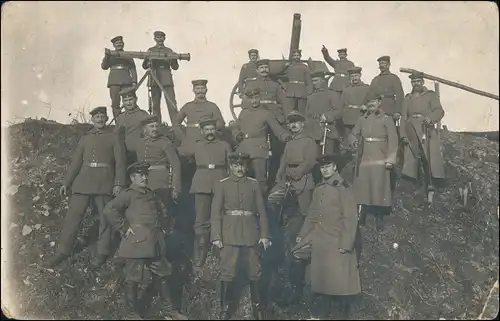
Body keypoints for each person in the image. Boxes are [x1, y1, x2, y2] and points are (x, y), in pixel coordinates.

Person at [43, 106, 126, 268]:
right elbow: (76, 163)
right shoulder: (85, 138)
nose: (100, 120)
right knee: (73, 218)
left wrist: (119, 183)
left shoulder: (114, 137)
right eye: (97, 117)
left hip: (105, 182)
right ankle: (63, 251)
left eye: (102, 117)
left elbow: (121, 164)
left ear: (107, 119)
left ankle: (102, 252)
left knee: (105, 219)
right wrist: (66, 182)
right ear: (92, 120)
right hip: (83, 182)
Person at [103, 161, 187, 320]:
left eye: (145, 174)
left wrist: (163, 227)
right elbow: (109, 209)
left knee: (162, 276)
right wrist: (124, 227)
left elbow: (162, 212)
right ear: (132, 178)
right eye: (140, 175)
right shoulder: (128, 194)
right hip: (136, 243)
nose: (144, 177)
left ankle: (170, 311)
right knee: (133, 278)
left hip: (154, 242)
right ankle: (131, 314)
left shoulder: (151, 193)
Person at [292, 153, 361, 320]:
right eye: (322, 167)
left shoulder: (343, 188)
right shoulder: (319, 189)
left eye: (328, 166)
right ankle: (317, 308)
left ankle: (339, 313)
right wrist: (302, 234)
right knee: (319, 276)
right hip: (319, 237)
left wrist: (345, 243)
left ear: (335, 167)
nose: (325, 170)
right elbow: (312, 215)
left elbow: (350, 218)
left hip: (337, 238)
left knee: (338, 281)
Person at [211, 152, 272, 320]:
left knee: (255, 270)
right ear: (230, 166)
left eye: (242, 165)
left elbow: (262, 212)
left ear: (246, 167)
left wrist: (265, 234)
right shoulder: (222, 184)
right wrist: (216, 235)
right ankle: (225, 309)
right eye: (236, 165)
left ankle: (257, 309)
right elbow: (215, 213)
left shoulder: (253, 185)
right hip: (229, 232)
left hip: (251, 232)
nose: (239, 169)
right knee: (228, 270)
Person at [267, 110, 318, 305]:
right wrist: (280, 176)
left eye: (297, 122)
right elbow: (282, 162)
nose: (294, 125)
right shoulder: (289, 143)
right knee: (273, 200)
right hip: (287, 180)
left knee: (306, 213)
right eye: (291, 123)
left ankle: (305, 245)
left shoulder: (309, 141)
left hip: (303, 180)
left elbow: (310, 161)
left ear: (303, 124)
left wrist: (295, 174)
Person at [177, 118, 232, 273]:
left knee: (220, 217)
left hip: (221, 184)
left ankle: (219, 252)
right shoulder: (196, 145)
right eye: (206, 130)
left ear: (216, 130)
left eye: (212, 129)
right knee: (201, 220)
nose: (209, 133)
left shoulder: (224, 146)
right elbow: (179, 150)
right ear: (202, 131)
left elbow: (232, 165)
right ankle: (199, 254)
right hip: (201, 185)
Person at [348, 97, 398, 231]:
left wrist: (390, 160)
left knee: (378, 185)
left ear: (379, 102)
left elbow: (393, 141)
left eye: (374, 101)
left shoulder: (386, 119)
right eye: (368, 102)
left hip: (380, 156)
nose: (371, 104)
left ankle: (379, 216)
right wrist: (353, 141)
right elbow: (353, 133)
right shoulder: (362, 119)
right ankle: (362, 212)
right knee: (363, 184)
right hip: (365, 155)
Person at [232, 87, 292, 194]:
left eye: (256, 98)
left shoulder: (266, 113)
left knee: (260, 181)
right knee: (242, 180)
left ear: (260, 98)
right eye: (251, 98)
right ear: (248, 100)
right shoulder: (243, 113)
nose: (254, 101)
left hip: (258, 151)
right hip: (243, 149)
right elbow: (236, 127)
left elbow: (277, 129)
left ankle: (262, 207)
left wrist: (285, 136)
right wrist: (237, 134)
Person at [400, 71, 445, 197]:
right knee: (412, 157)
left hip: (426, 129)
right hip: (411, 131)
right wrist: (403, 134)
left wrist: (430, 118)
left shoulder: (430, 96)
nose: (416, 84)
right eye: (413, 82)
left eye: (418, 81)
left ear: (423, 82)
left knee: (429, 157)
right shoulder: (407, 98)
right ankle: (413, 184)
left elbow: (439, 111)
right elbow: (403, 117)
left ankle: (432, 184)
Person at [245, 58, 288, 188]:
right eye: (261, 68)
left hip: (275, 118)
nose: (264, 70)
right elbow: (245, 104)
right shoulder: (251, 86)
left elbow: (284, 102)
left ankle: (274, 179)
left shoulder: (275, 85)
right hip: (258, 119)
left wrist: (288, 116)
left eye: (266, 67)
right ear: (257, 70)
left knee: (277, 150)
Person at [132, 114, 182, 220]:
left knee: (162, 212)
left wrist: (175, 187)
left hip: (161, 183)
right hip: (143, 182)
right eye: (151, 126)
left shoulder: (165, 143)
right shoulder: (140, 143)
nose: (155, 129)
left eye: (156, 126)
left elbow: (176, 166)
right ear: (145, 129)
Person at [173, 79, 225, 151]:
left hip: (207, 141)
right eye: (197, 89)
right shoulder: (188, 106)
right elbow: (176, 123)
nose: (200, 91)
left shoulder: (212, 106)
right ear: (193, 90)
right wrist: (183, 138)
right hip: (190, 141)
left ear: (206, 90)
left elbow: (221, 123)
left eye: (202, 88)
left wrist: (212, 134)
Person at [142, 30, 180, 124]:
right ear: (154, 39)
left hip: (166, 78)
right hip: (155, 79)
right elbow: (144, 66)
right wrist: (147, 58)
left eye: (161, 37)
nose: (159, 39)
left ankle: (176, 126)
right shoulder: (151, 50)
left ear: (164, 38)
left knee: (172, 104)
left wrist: (174, 59)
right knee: (155, 105)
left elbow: (175, 67)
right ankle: (157, 126)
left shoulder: (169, 51)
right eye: (157, 37)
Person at [304, 70, 343, 155]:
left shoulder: (332, 94)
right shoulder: (310, 97)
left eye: (316, 80)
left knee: (327, 157)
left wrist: (327, 116)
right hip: (313, 132)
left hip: (327, 131)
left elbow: (339, 111)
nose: (314, 83)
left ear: (322, 80)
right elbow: (307, 114)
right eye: (313, 81)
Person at [101, 36, 138, 120]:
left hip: (126, 81)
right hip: (114, 82)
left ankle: (131, 120)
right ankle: (118, 122)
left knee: (129, 101)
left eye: (120, 43)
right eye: (117, 43)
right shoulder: (110, 55)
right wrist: (106, 56)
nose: (119, 45)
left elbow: (133, 69)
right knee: (115, 103)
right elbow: (104, 67)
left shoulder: (128, 55)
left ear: (123, 44)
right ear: (114, 45)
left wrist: (134, 81)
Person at [115, 86, 150, 164]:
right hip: (125, 155)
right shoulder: (121, 117)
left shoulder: (143, 115)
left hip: (141, 155)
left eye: (131, 99)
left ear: (136, 99)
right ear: (123, 102)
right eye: (125, 100)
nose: (128, 103)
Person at [363, 56, 405, 122]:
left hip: (389, 109)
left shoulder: (394, 78)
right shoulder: (375, 79)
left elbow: (400, 95)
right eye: (380, 64)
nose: (381, 65)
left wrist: (398, 111)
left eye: (383, 63)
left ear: (388, 65)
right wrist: (365, 104)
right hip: (376, 110)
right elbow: (369, 94)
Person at [340, 66, 370, 139]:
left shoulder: (366, 88)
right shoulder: (346, 90)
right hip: (348, 119)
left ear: (360, 75)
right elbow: (342, 105)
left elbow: (371, 102)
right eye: (352, 76)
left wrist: (366, 107)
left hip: (361, 117)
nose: (354, 78)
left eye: (356, 75)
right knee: (349, 141)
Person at [280, 49, 313, 115]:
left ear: (300, 56)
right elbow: (280, 75)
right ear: (292, 57)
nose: (296, 57)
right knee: (289, 111)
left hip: (302, 91)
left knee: (302, 112)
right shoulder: (289, 67)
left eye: (298, 55)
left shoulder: (305, 67)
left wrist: (309, 92)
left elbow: (309, 80)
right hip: (290, 92)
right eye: (294, 55)